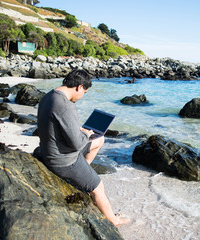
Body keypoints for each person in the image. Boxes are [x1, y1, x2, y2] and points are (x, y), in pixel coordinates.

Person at [37, 69, 130, 226]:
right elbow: (77, 144)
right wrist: (86, 134)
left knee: (99, 140)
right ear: (79, 87)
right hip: (62, 160)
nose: (82, 96)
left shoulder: (49, 96)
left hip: (49, 150)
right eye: (84, 92)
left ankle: (82, 176)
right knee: (98, 187)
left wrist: (79, 130)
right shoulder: (66, 106)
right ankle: (113, 220)